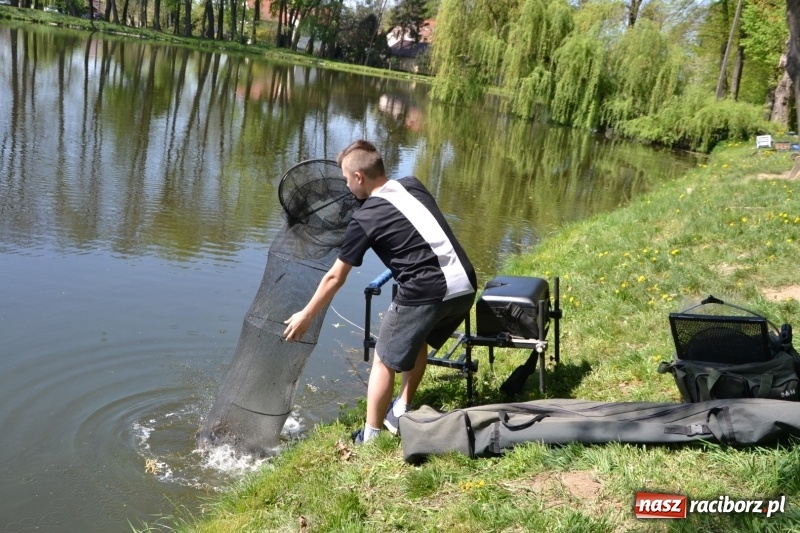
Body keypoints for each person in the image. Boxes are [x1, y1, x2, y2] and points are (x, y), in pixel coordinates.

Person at [283, 140, 476, 443]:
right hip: (464, 285)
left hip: (426, 290)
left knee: (384, 359)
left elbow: (335, 277)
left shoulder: (365, 217)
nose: (346, 187)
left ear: (359, 177)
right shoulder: (413, 185)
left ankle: (370, 437)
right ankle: (401, 409)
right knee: (420, 337)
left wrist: (306, 315)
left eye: (347, 180)